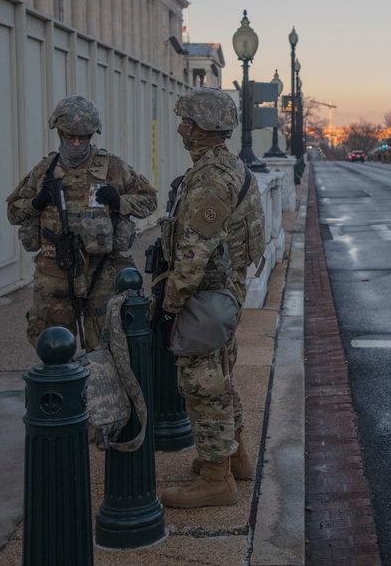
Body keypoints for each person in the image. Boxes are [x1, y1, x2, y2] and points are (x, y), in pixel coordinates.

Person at [6, 96, 157, 351]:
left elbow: (149, 200)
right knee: (51, 343)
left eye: (83, 138)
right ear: (59, 132)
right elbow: (13, 211)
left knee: (106, 344)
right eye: (70, 137)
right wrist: (36, 203)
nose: (76, 144)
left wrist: (119, 200)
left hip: (101, 270)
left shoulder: (112, 167)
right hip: (55, 270)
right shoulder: (44, 171)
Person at [158, 88, 248, 509]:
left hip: (204, 296)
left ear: (200, 129)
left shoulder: (211, 176)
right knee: (223, 373)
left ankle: (217, 479)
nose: (180, 128)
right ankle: (236, 457)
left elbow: (195, 247)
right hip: (221, 293)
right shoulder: (226, 166)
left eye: (185, 122)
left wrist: (171, 301)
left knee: (202, 382)